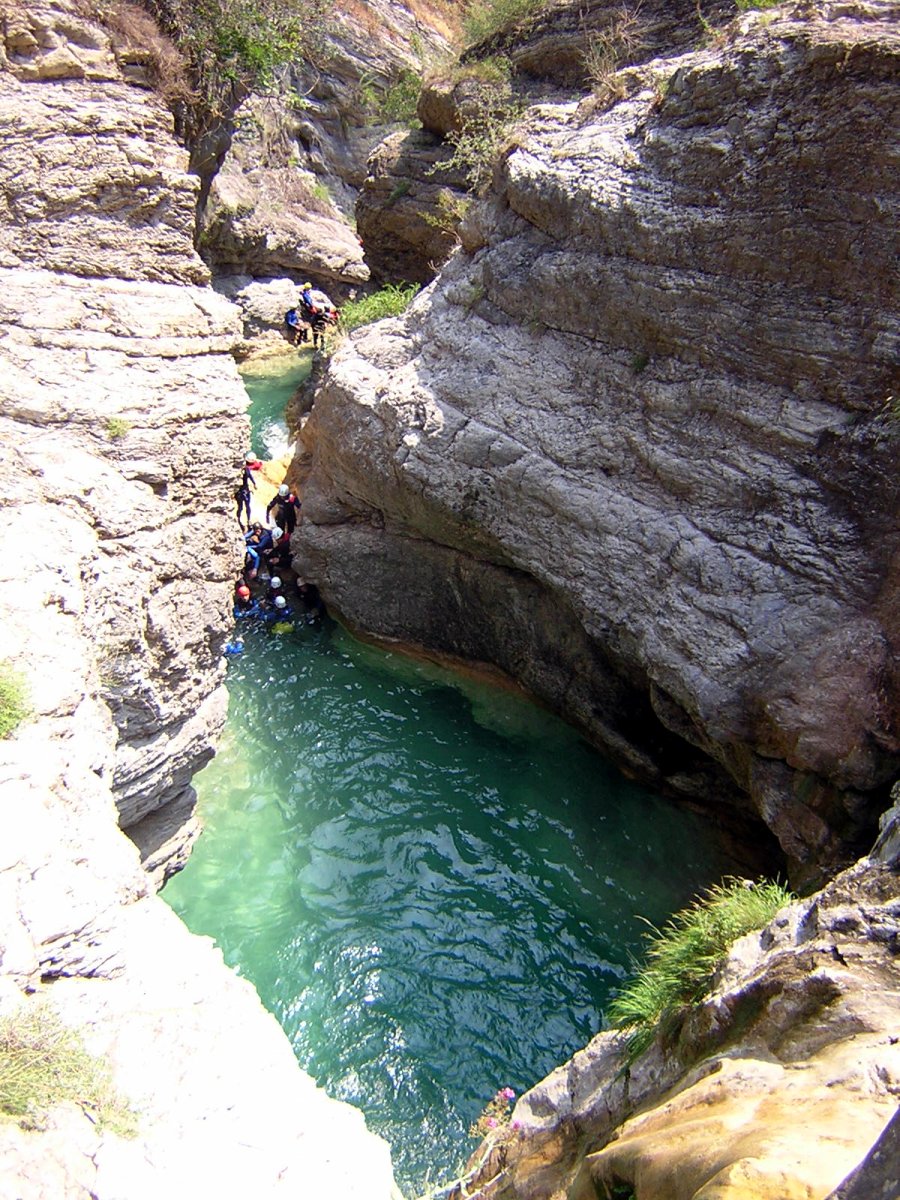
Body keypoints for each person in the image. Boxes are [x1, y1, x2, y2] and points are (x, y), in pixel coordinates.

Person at [235, 453, 260, 531]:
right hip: (243, 490)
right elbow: (249, 476)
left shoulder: (244, 468)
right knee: (244, 506)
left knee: (243, 507)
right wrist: (254, 483)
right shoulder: (245, 469)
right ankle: (243, 519)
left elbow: (249, 476)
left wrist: (254, 483)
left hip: (242, 490)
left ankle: (243, 519)